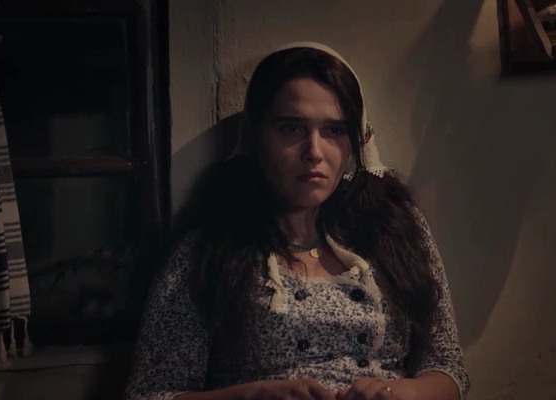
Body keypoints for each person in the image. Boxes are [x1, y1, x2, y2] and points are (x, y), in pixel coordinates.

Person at [124, 42, 469, 400]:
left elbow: (447, 368)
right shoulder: (208, 249)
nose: (314, 152)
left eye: (334, 130)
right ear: (256, 135)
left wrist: (399, 393)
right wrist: (255, 395)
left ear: (357, 139)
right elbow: (150, 394)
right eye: (291, 128)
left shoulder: (395, 230)